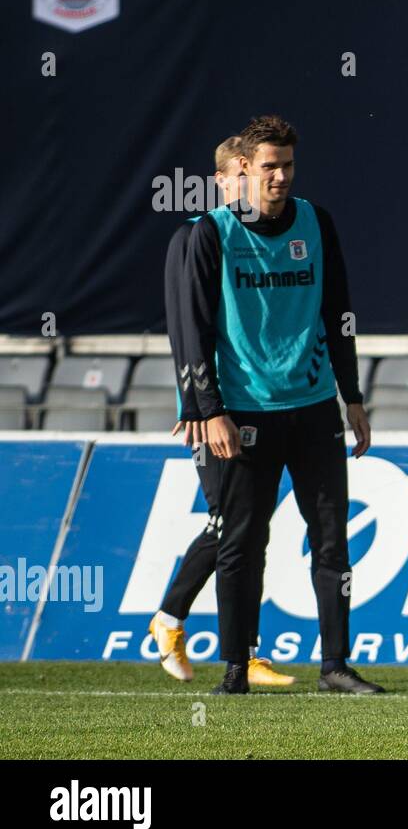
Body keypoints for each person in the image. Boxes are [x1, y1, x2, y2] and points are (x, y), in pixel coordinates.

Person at [182, 115, 382, 695]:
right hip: (241, 414)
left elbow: (339, 313)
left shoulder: (317, 223)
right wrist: (209, 409)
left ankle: (336, 666)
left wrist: (353, 398)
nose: (281, 176)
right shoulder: (211, 233)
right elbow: (193, 331)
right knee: (242, 543)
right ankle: (237, 669)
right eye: (270, 166)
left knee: (332, 540)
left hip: (314, 407)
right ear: (243, 169)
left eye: (288, 165)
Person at [149, 137, 294, 686]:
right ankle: (171, 621)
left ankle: (240, 648)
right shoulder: (196, 234)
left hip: (251, 405)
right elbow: (186, 327)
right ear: (226, 176)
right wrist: (196, 403)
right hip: (212, 408)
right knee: (230, 522)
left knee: (248, 529)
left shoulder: (255, 239)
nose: (255, 187)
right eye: (244, 175)